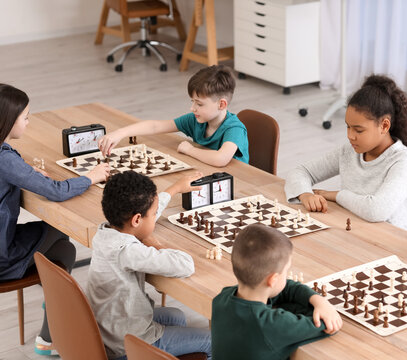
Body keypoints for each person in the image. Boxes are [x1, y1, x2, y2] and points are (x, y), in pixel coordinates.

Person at [0, 84, 110, 355]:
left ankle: (50, 331)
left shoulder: (6, 158)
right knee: (59, 228)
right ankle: (55, 318)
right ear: (8, 121)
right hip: (1, 256)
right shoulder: (4, 159)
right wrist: (92, 177)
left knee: (65, 250)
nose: (28, 121)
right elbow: (56, 192)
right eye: (25, 117)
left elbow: (9, 172)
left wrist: (26, 174)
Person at [86, 170, 212, 360]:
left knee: (176, 316)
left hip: (110, 328)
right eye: (153, 215)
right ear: (136, 220)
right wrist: (154, 243)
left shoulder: (106, 232)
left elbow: (144, 211)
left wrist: (175, 188)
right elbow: (186, 265)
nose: (155, 216)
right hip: (125, 345)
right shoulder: (128, 251)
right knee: (212, 341)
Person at [284, 74, 407, 235]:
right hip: (357, 235)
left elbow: (376, 211)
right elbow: (300, 172)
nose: (350, 135)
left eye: (358, 130)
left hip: (397, 247)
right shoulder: (349, 152)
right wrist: (305, 194)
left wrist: (336, 196)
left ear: (384, 126)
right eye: (347, 127)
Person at [211, 223, 342, 360]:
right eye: (285, 272)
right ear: (273, 280)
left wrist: (317, 300)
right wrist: (324, 305)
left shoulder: (221, 299)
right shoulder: (271, 325)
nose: (287, 277)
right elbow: (326, 323)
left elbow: (282, 290)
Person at [98, 65, 249, 167]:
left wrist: (189, 150)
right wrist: (120, 133)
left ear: (221, 104)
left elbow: (221, 159)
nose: (192, 108)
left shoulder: (234, 128)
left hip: (239, 184)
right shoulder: (196, 120)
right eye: (192, 102)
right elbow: (155, 126)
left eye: (199, 104)